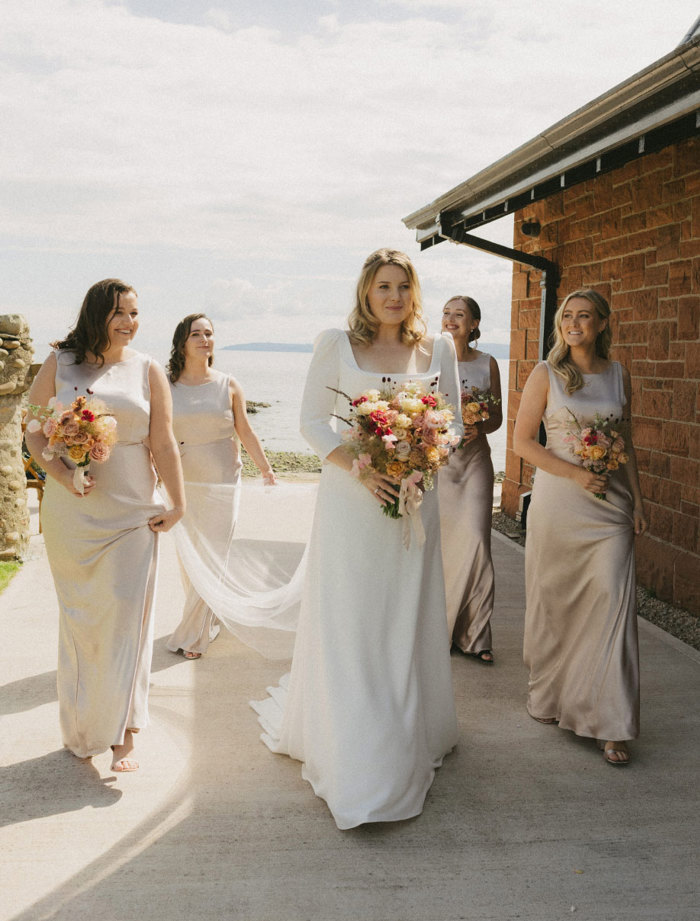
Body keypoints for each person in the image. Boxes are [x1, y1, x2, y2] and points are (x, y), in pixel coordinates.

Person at [252, 248, 463, 829]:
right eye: (382, 287)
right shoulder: (336, 344)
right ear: (366, 293)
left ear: (413, 292)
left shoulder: (437, 348)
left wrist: (421, 464)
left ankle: (408, 731)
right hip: (352, 500)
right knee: (353, 618)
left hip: (417, 499)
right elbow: (312, 422)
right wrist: (364, 469)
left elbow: (454, 422)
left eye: (402, 286)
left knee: (406, 616)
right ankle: (356, 752)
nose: (393, 296)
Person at [25, 279, 185, 772]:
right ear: (97, 313)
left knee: (127, 618)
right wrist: (65, 474)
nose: (129, 322)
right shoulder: (60, 364)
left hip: (135, 511)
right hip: (74, 513)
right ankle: (86, 725)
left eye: (135, 313)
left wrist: (176, 502)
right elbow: (32, 430)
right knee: (85, 622)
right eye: (119, 312)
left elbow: (163, 441)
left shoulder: (148, 369)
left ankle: (124, 731)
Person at [513, 288, 647, 766]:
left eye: (584, 316)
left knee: (612, 600)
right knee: (557, 601)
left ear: (603, 323)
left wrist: (639, 500)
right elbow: (522, 443)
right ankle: (550, 695)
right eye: (567, 316)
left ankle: (612, 724)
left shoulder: (618, 375)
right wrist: (574, 473)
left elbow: (625, 442)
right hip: (559, 503)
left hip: (612, 506)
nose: (574, 323)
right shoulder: (546, 374)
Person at [165, 313, 277, 659]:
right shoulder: (166, 385)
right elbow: (157, 436)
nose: (204, 339)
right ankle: (205, 618)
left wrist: (266, 469)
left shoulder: (228, 384)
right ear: (182, 342)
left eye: (209, 333)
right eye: (196, 334)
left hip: (225, 483)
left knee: (214, 555)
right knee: (191, 558)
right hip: (182, 483)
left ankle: (193, 635)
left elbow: (244, 430)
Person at [439, 296, 502, 663]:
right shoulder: (430, 358)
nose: (451, 320)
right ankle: (442, 630)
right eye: (446, 313)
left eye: (459, 315)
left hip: (476, 461)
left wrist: (478, 424)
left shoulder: (487, 363)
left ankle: (477, 635)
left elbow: (496, 418)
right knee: (444, 545)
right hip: (441, 463)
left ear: (474, 323)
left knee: (478, 540)